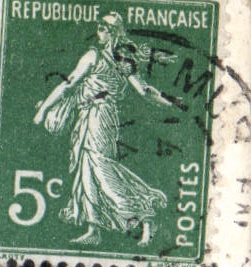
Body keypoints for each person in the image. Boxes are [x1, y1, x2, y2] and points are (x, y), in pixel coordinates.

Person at [33, 12, 176, 246]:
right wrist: (171, 103)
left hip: (99, 117)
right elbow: (145, 91)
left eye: (101, 28)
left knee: (100, 168)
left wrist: (42, 111)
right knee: (87, 170)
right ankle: (94, 229)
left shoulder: (100, 57)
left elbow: (68, 84)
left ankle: (145, 213)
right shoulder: (120, 61)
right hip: (91, 116)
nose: (97, 32)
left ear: (109, 33)